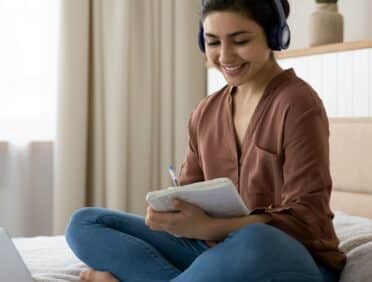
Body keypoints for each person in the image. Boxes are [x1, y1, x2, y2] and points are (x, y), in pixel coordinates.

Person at [65, 0, 346, 281]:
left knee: (256, 238)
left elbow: (306, 217)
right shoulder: (205, 112)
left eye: (240, 41)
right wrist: (173, 214)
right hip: (213, 252)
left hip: (283, 255)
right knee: (85, 223)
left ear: (274, 36)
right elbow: (189, 192)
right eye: (213, 42)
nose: (225, 56)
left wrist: (208, 228)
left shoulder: (297, 103)